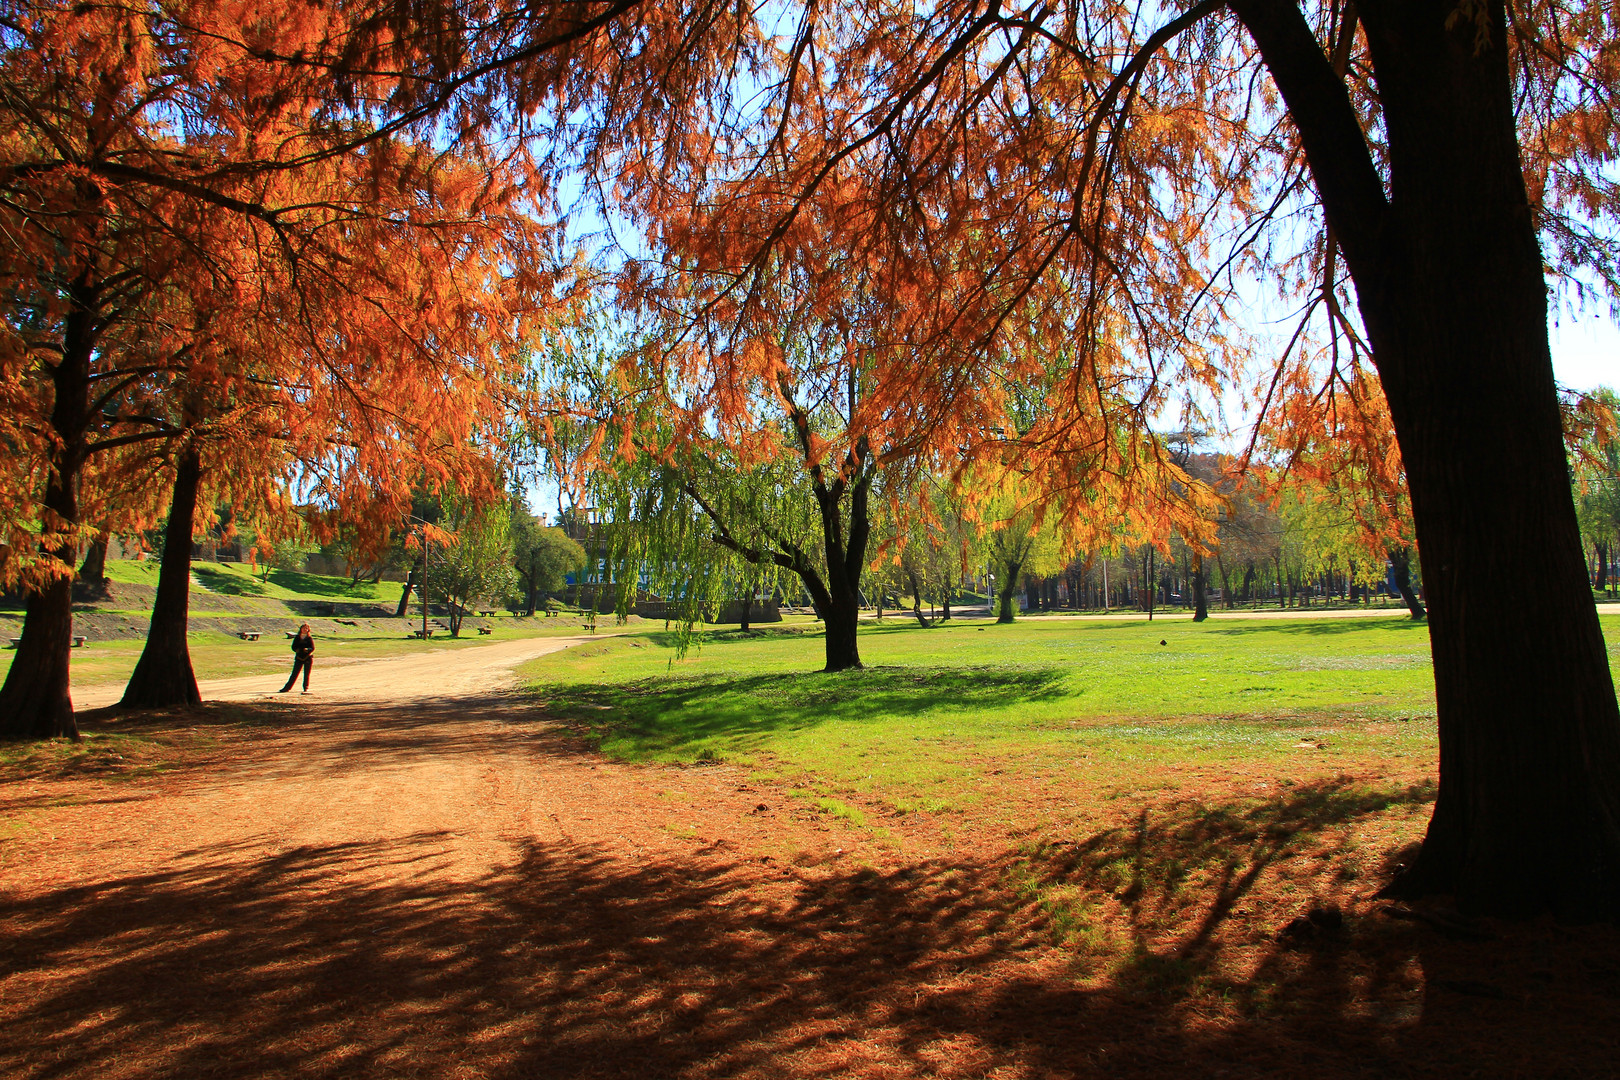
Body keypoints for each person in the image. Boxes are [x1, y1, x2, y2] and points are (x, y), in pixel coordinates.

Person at [280, 623, 315, 694]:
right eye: (304, 628)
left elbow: (312, 648)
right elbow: (293, 647)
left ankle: (306, 688)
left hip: (307, 658)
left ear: (308, 630)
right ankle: (287, 688)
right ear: (301, 629)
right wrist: (297, 650)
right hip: (299, 657)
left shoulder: (309, 638)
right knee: (294, 673)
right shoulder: (297, 637)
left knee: (306, 674)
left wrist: (307, 649)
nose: (305, 629)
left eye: (306, 628)